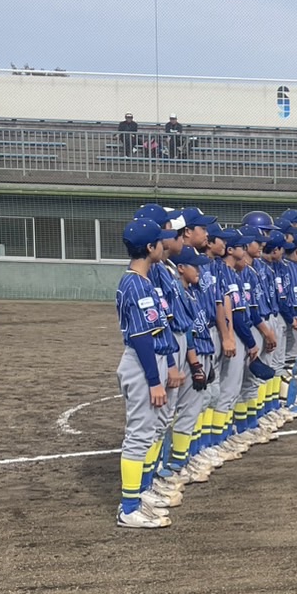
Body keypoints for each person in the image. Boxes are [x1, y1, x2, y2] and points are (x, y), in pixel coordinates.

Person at [114, 217, 182, 529]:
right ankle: (129, 508)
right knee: (139, 434)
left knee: (151, 429)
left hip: (152, 359)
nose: (164, 245)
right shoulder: (134, 283)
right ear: (150, 247)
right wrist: (154, 381)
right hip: (142, 362)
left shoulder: (144, 280)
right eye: (159, 241)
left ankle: (140, 493)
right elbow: (141, 336)